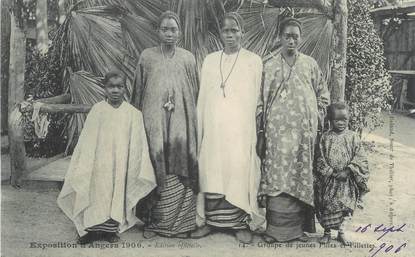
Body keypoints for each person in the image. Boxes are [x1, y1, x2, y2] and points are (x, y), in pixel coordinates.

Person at [57, 70, 157, 244]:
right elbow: (87, 141)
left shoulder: (133, 113)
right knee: (96, 194)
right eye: (111, 87)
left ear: (125, 89)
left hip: (121, 164)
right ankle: (91, 231)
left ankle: (111, 230)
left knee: (116, 193)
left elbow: (137, 143)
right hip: (98, 165)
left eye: (120, 87)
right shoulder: (97, 110)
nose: (115, 91)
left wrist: (130, 163)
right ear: (104, 88)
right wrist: (88, 163)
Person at [193, 12, 265, 244]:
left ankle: (239, 223)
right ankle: (212, 222)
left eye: (235, 30)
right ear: (220, 33)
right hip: (214, 132)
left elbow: (257, 99)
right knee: (212, 170)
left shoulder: (253, 61)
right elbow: (203, 98)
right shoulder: (210, 61)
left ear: (242, 32)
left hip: (240, 132)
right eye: (226, 30)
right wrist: (201, 130)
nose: (231, 35)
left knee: (238, 170)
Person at [256, 17, 330, 243]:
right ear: (280, 37)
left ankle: (297, 231)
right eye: (287, 36)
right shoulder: (268, 66)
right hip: (276, 136)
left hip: (302, 137)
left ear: (300, 38)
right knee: (277, 179)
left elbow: (323, 95)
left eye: (295, 36)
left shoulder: (310, 64)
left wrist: (314, 117)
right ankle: (275, 231)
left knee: (299, 177)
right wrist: (261, 132)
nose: (291, 40)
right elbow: (260, 101)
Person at [131, 11, 199, 239]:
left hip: (182, 124)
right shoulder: (147, 57)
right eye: (165, 29)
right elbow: (137, 92)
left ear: (179, 33)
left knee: (181, 165)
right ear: (157, 31)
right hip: (154, 124)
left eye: (173, 29)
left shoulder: (188, 58)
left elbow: (196, 92)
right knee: (155, 164)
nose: (169, 33)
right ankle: (153, 223)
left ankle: (181, 225)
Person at [315, 102, 369, 246]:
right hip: (329, 180)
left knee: (345, 207)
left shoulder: (353, 137)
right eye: (337, 120)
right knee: (327, 205)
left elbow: (361, 157)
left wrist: (348, 170)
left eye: (344, 120)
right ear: (330, 120)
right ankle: (327, 233)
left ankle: (341, 232)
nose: (340, 123)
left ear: (348, 119)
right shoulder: (325, 137)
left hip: (347, 181)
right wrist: (330, 172)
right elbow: (319, 158)